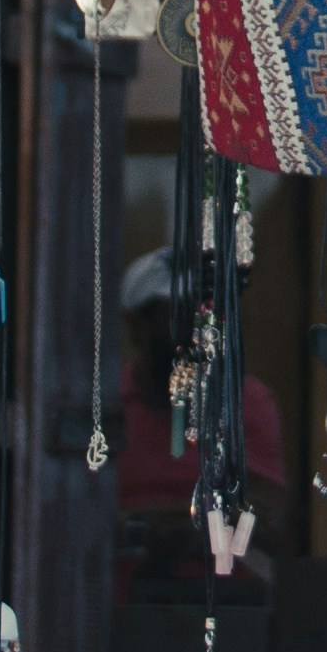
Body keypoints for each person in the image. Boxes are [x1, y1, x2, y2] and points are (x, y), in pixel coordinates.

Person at [110, 241, 290, 563]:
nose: (193, 334)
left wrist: (153, 524)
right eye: (177, 318)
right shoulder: (109, 404)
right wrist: (211, 519)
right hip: (118, 598)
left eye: (204, 318)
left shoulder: (246, 402)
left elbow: (270, 522)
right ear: (138, 326)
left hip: (227, 595)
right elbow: (83, 518)